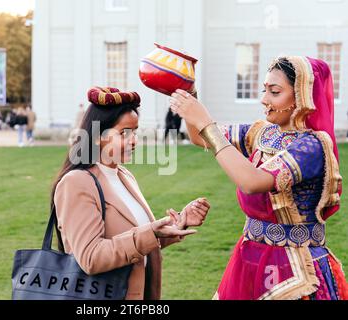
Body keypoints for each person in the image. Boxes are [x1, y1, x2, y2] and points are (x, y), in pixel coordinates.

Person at [170, 56, 348, 300]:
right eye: (265, 90)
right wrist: (190, 95)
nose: (264, 99)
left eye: (275, 92)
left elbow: (253, 182)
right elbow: (201, 138)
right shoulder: (262, 131)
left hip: (293, 265)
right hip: (250, 253)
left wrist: (205, 122)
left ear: (302, 96)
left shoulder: (313, 145)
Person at [52, 86, 211, 300]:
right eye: (124, 133)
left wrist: (177, 224)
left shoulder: (124, 175)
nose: (134, 140)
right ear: (98, 136)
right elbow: (90, 258)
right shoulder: (77, 183)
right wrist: (150, 233)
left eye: (135, 132)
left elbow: (140, 242)